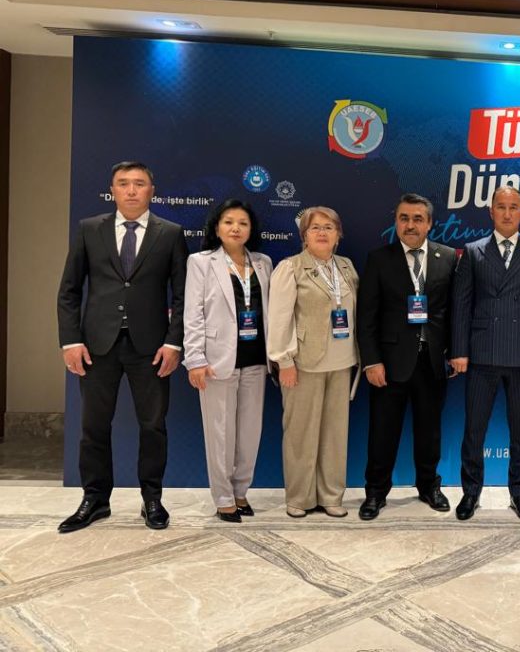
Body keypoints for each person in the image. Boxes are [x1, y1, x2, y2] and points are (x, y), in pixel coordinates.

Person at [56, 161, 188, 533]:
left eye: (139, 183)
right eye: (123, 183)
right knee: (94, 426)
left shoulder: (170, 233)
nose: (131, 190)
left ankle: (152, 499)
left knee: (153, 425)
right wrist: (71, 340)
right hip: (97, 346)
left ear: (152, 190)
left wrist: (174, 342)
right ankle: (95, 499)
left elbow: (183, 295)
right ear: (112, 189)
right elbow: (69, 291)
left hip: (152, 347)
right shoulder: (89, 229)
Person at [450, 186, 520, 522]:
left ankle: (519, 493)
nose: (507, 213)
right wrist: (459, 350)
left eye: (513, 207)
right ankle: (471, 493)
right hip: (481, 354)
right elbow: (462, 305)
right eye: (501, 207)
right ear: (491, 211)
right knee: (474, 431)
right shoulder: (473, 251)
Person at [356, 193, 457, 520]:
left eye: (417, 219)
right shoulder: (379, 259)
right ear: (396, 221)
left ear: (429, 223)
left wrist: (456, 353)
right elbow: (366, 316)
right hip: (389, 364)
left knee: (430, 432)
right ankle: (375, 493)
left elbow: (454, 311)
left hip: (433, 361)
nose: (410, 225)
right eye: (404, 218)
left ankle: (429, 487)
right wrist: (372, 361)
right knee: (382, 432)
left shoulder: (447, 257)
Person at [184, 199, 272, 523]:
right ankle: (223, 498)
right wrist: (194, 359)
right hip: (216, 361)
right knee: (220, 433)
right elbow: (193, 313)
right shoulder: (201, 262)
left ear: (251, 229)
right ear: (217, 228)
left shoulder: (263, 262)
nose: (236, 228)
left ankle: (240, 491)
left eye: (243, 223)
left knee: (249, 432)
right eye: (229, 222)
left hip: (256, 359)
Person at [268, 206, 360, 518]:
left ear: (338, 235)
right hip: (303, 364)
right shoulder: (290, 268)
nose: (322, 233)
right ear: (304, 235)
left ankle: (331, 496)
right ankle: (299, 497)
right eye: (315, 228)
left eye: (329, 227)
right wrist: (284, 360)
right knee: (300, 434)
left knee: (335, 435)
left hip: (342, 362)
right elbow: (279, 318)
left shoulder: (346, 267)